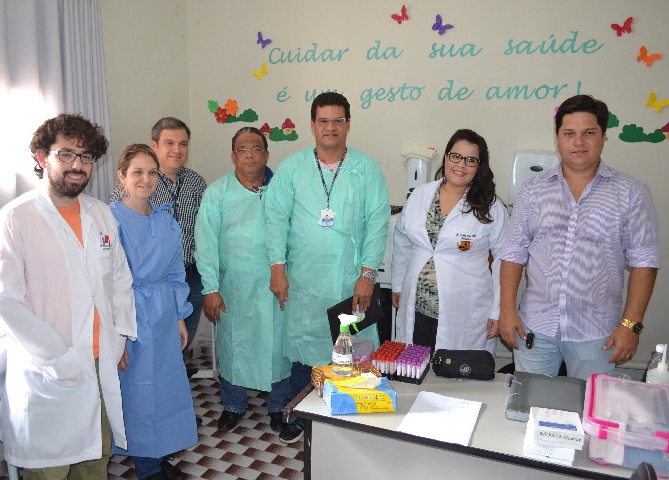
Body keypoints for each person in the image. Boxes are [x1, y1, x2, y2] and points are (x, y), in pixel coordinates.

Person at [0, 114, 137, 478]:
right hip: (48, 370)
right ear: (42, 157)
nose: (77, 165)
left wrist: (119, 335)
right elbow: (5, 300)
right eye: (66, 154)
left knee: (95, 463)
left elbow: (119, 278)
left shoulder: (101, 214)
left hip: (99, 362)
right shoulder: (15, 219)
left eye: (86, 157)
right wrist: (58, 359)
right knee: (49, 470)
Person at [499, 94, 660, 380]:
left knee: (590, 406)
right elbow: (513, 253)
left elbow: (644, 262)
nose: (578, 142)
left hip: (597, 334)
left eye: (589, 133)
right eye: (569, 133)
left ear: (603, 137)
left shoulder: (632, 193)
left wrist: (631, 325)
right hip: (535, 327)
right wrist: (507, 311)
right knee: (531, 403)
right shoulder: (532, 190)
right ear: (557, 138)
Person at [264, 92, 390, 444]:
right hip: (303, 278)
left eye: (337, 121)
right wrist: (277, 267)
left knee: (351, 345)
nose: (330, 127)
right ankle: (300, 415)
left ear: (348, 124)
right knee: (304, 346)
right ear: (312, 125)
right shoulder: (293, 168)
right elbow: (275, 219)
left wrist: (367, 275)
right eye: (323, 121)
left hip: (350, 280)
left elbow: (378, 222)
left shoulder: (365, 168)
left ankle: (348, 417)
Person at [195, 127, 291, 434]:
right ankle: (234, 404)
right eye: (242, 149)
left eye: (256, 148)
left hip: (276, 284)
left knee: (277, 347)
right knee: (234, 346)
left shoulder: (282, 190)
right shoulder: (217, 193)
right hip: (233, 286)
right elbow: (205, 243)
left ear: (266, 154)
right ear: (233, 156)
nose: (249, 154)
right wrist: (210, 288)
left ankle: (277, 404)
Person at [110, 144, 198, 480]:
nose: (146, 179)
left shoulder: (164, 219)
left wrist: (179, 316)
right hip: (130, 315)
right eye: (137, 172)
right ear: (122, 176)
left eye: (151, 172)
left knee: (165, 387)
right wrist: (117, 336)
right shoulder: (110, 221)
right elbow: (104, 282)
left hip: (162, 314)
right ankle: (147, 468)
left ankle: (158, 454)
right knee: (137, 392)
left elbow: (175, 271)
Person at [391, 129, 509, 355]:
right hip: (417, 308)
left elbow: (504, 259)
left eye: (470, 160)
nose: (461, 165)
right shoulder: (420, 194)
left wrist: (498, 310)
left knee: (456, 371)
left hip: (465, 312)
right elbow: (402, 240)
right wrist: (397, 285)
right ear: (446, 157)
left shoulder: (490, 206)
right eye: (456, 156)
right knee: (415, 366)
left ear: (479, 166)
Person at [110, 118, 206, 364]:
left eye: (183, 144)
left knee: (178, 345)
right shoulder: (137, 186)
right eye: (169, 143)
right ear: (154, 145)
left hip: (188, 277)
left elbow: (206, 231)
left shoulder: (196, 182)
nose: (177, 150)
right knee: (141, 359)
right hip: (142, 287)